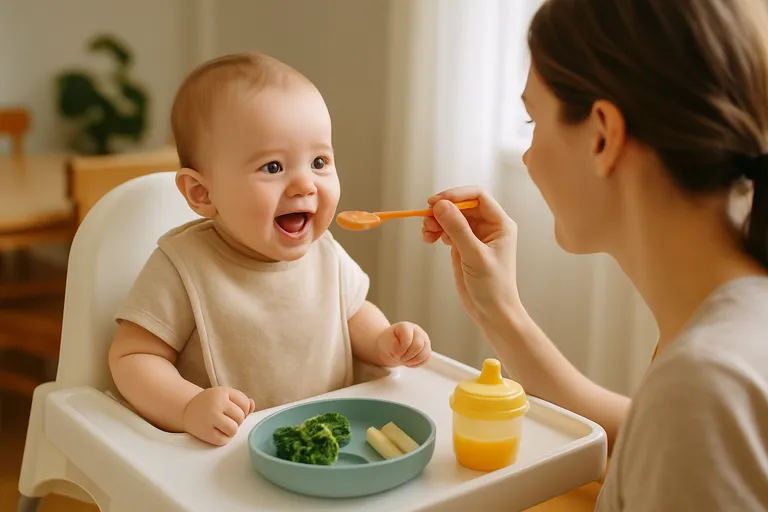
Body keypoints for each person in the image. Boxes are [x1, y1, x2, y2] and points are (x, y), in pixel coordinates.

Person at [422, 0, 768, 509]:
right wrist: (499, 310)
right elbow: (646, 435)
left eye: (532, 121)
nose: (528, 156)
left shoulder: (704, 382)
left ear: (603, 135)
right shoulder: (724, 327)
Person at [108, 53, 431, 447]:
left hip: (332, 439)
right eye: (273, 168)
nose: (305, 185)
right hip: (226, 455)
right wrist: (188, 406)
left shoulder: (324, 250)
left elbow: (352, 313)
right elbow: (132, 359)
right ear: (203, 193)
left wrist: (384, 341)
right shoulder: (183, 265)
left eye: (318, 161)